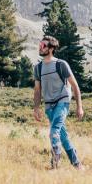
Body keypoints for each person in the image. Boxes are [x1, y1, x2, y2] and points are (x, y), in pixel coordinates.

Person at [33, 36, 84, 169]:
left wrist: (79, 107)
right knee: (63, 136)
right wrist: (36, 108)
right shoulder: (38, 68)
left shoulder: (61, 64)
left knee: (54, 131)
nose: (40, 47)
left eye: (43, 45)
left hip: (63, 101)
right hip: (49, 105)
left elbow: (75, 86)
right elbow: (37, 90)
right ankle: (77, 164)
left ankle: (56, 160)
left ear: (51, 48)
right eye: (39, 45)